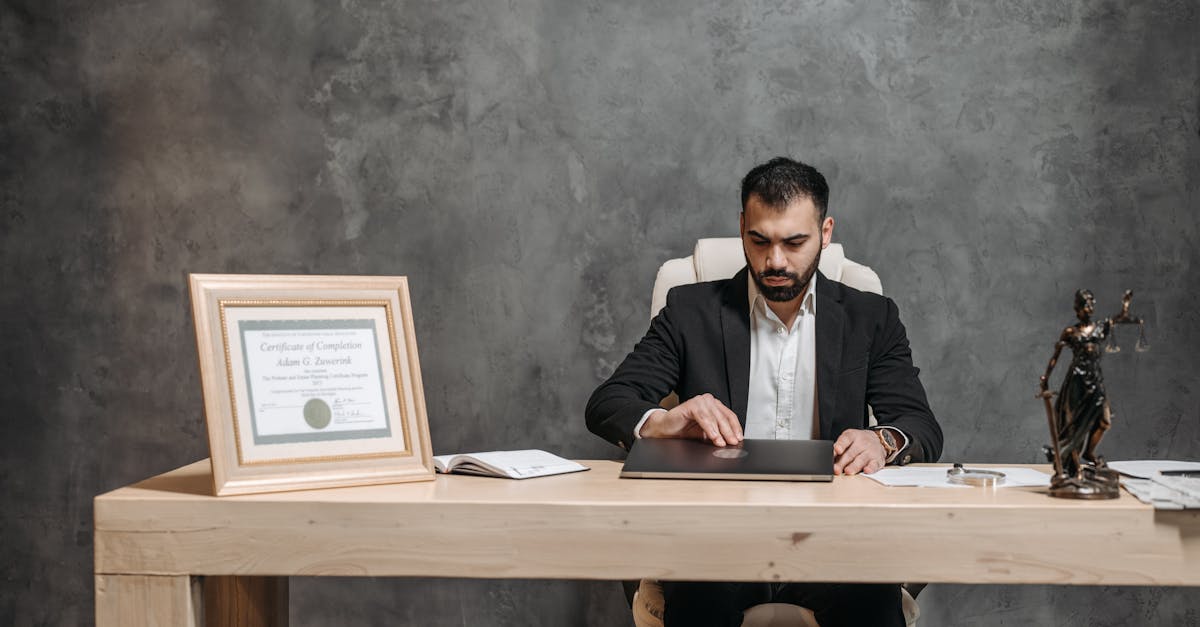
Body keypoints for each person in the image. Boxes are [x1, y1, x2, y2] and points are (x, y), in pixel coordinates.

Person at [585, 157, 942, 627]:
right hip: (716, 537)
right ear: (741, 229)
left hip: (830, 536)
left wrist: (883, 440)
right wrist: (663, 421)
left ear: (825, 232)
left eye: (794, 242)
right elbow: (608, 403)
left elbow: (920, 428)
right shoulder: (689, 310)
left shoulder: (870, 317)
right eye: (760, 241)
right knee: (697, 604)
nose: (775, 261)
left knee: (871, 603)